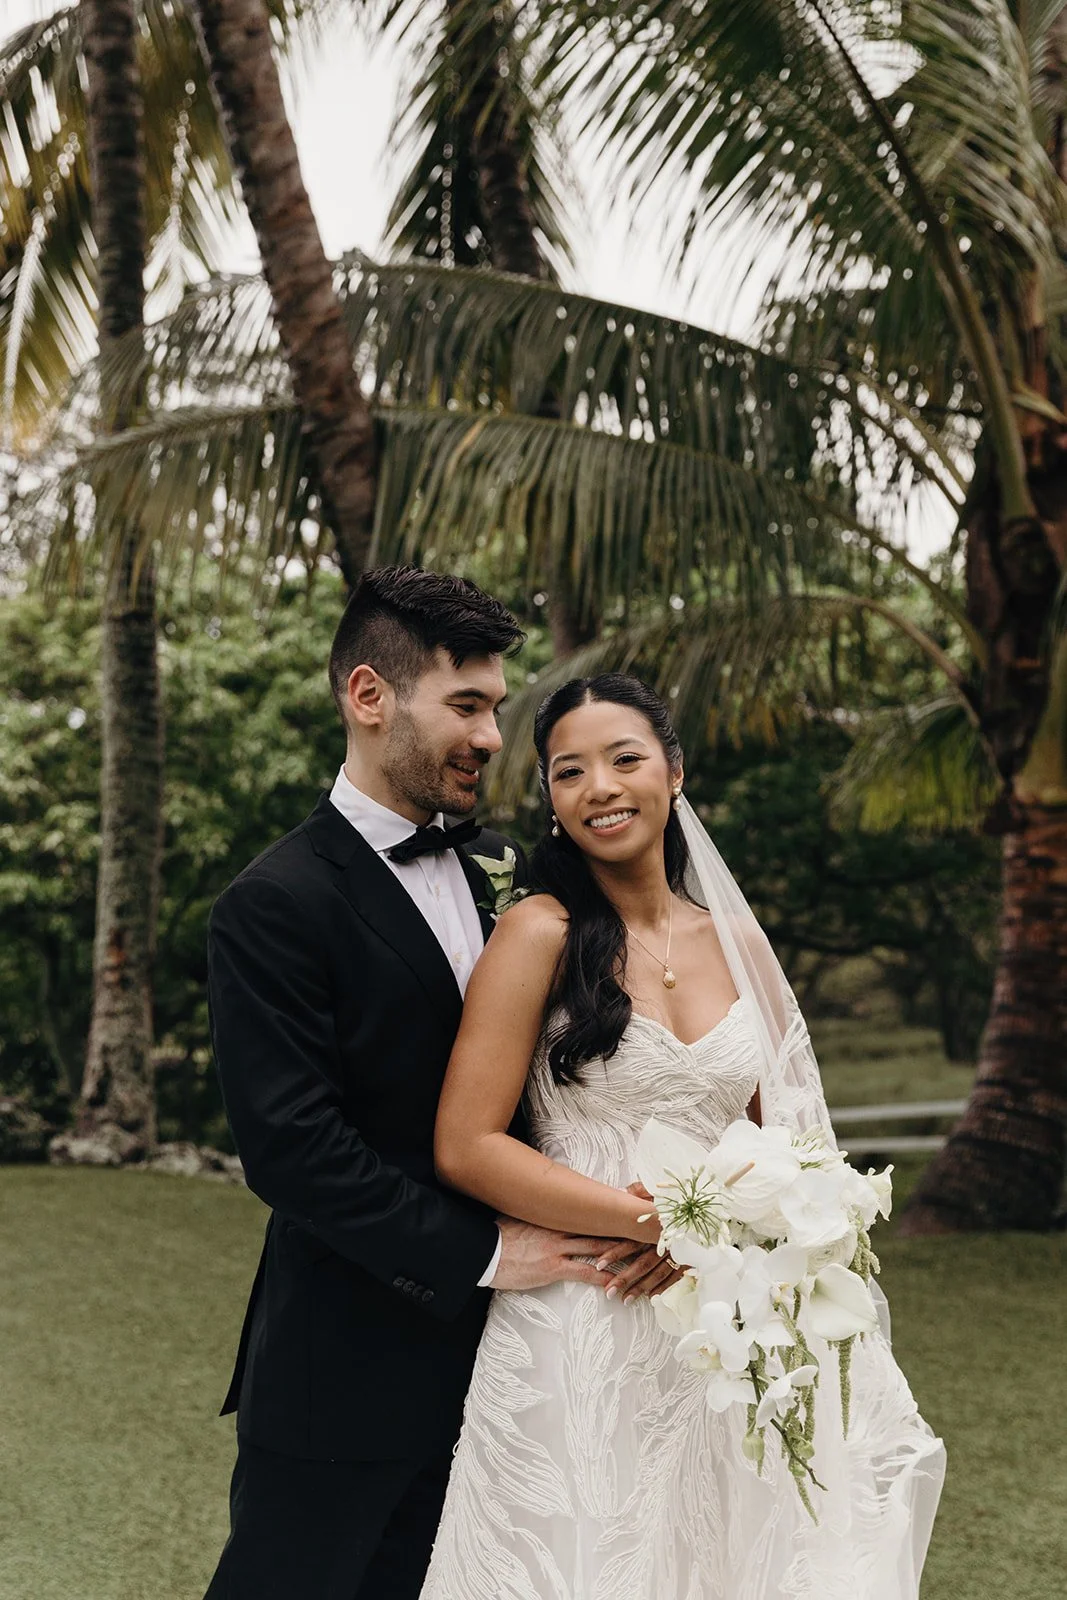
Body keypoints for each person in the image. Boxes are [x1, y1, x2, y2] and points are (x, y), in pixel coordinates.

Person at [420, 672, 946, 1600]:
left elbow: (790, 1148)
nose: (601, 788)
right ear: (550, 799)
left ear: (673, 771)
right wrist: (656, 1228)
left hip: (722, 1327)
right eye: (569, 771)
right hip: (582, 1312)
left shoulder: (740, 944)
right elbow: (467, 1144)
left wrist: (729, 1241)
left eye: (624, 759)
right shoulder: (538, 933)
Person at [202, 571, 667, 1600]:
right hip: (349, 1368)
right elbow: (294, 1152)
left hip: (540, 1367)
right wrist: (489, 1251)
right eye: (465, 705)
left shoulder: (519, 871)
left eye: (495, 707)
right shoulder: (271, 905)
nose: (493, 737)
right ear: (370, 696)